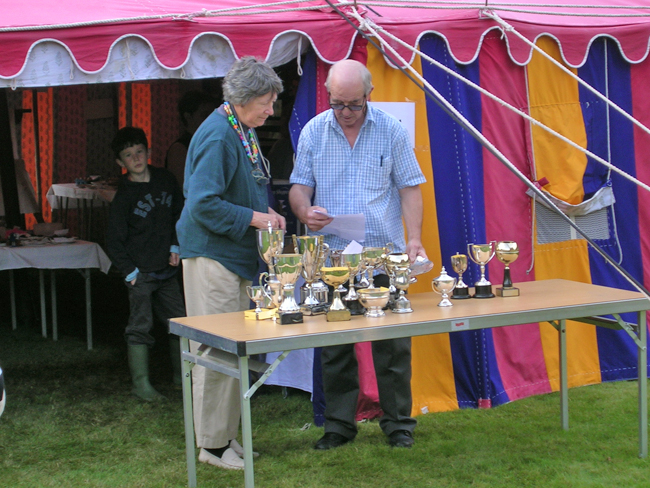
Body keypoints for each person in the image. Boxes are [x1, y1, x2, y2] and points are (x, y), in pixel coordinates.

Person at [289, 59, 427, 450]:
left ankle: (398, 424)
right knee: (335, 345)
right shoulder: (314, 130)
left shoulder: (391, 130)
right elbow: (299, 187)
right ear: (328, 96)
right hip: (333, 257)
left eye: (354, 104)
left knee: (392, 345)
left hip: (384, 254)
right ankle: (338, 425)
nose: (346, 112)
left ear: (369, 95)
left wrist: (414, 239)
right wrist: (304, 211)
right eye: (338, 104)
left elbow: (410, 188)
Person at [176, 57, 285, 471]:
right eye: (266, 102)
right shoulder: (219, 135)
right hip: (212, 258)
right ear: (243, 98)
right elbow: (202, 203)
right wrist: (256, 218)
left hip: (232, 257)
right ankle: (211, 445)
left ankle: (223, 436)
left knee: (233, 351)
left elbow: (236, 190)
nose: (271, 111)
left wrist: (263, 214)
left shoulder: (240, 128)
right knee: (215, 351)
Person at [106, 127, 186, 402]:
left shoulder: (165, 180)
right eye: (128, 155)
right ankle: (141, 385)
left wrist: (175, 245)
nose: (136, 158)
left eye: (139, 151)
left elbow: (179, 214)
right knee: (140, 327)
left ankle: (182, 377)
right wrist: (130, 272)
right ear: (120, 162)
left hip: (167, 268)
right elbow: (113, 239)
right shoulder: (124, 196)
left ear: (149, 152)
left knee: (179, 322)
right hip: (140, 273)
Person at [165, 90, 216, 187]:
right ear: (188, 117)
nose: (210, 119)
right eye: (204, 115)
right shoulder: (179, 149)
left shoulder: (211, 142)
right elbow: (184, 186)